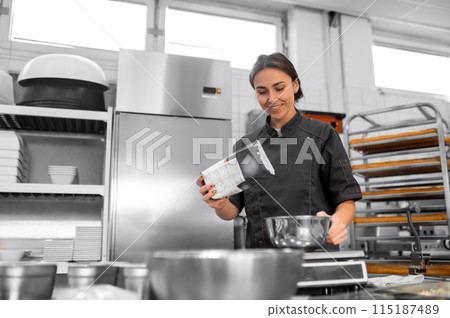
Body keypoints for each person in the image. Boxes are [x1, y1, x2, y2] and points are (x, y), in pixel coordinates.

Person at [197, 52, 362, 249]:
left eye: (279, 88)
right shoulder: (246, 145)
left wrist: (338, 222)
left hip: (313, 257)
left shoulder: (322, 135)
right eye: (262, 91)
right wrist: (219, 203)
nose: (271, 98)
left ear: (295, 85)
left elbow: (347, 200)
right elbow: (231, 210)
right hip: (263, 260)